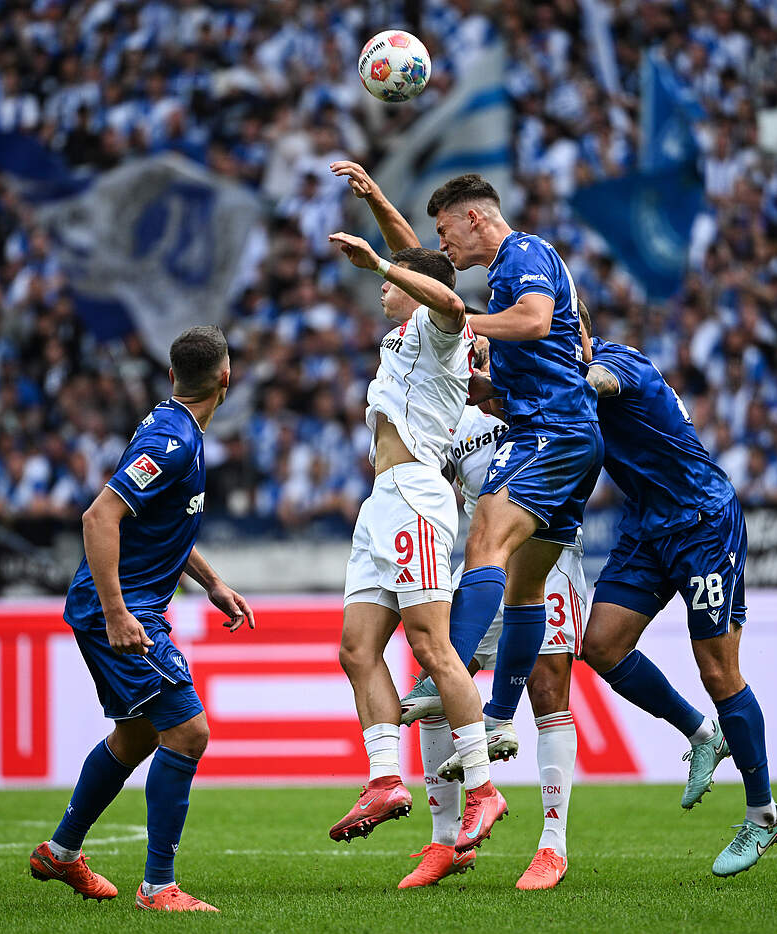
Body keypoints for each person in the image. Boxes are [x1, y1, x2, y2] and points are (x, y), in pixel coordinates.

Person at [29, 326, 256, 913]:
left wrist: (212, 583)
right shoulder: (173, 440)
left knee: (138, 735)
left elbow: (161, 522)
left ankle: (61, 851)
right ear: (226, 377)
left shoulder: (175, 427)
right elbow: (99, 517)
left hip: (124, 605)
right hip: (122, 610)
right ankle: (158, 887)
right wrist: (116, 613)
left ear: (173, 375)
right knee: (189, 731)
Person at [323, 160, 506, 854]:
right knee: (356, 649)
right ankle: (383, 779)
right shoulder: (405, 328)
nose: (382, 285)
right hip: (381, 503)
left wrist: (382, 263)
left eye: (391, 280)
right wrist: (375, 198)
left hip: (419, 496)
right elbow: (419, 259)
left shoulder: (441, 330)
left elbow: (448, 296)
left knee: (430, 646)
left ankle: (482, 788)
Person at [398, 173, 602, 787]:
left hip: (549, 432)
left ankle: (446, 672)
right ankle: (499, 715)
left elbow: (535, 321)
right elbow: (544, 351)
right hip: (569, 433)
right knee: (526, 585)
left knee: (484, 542)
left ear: (475, 218)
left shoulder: (523, 253)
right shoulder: (512, 268)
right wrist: (483, 387)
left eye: (445, 231)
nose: (444, 245)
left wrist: (465, 323)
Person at [576, 307, 777, 877]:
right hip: (647, 526)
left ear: (578, 330)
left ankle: (763, 814)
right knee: (601, 645)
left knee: (719, 672)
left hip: (701, 522)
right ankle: (700, 734)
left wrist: (562, 378)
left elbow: (601, 382)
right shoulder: (565, 373)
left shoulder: (620, 363)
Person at [402, 355, 587, 891]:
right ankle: (445, 843)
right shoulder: (453, 412)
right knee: (440, 684)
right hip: (483, 566)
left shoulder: (547, 391)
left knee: (548, 691)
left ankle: (552, 847)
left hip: (548, 560)